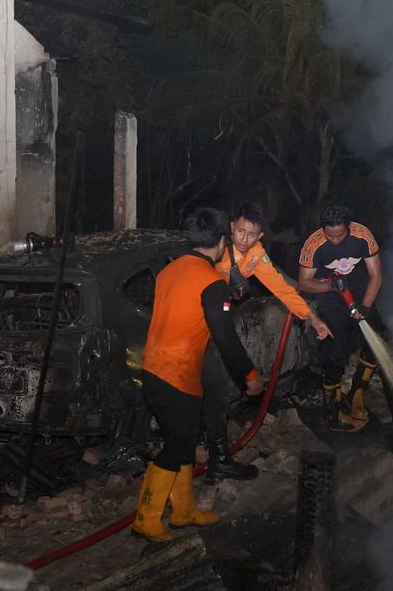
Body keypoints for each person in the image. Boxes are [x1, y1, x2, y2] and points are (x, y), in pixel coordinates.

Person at [132, 207, 264, 543]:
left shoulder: (169, 271)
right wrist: (249, 374)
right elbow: (225, 336)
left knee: (185, 442)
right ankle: (146, 519)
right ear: (222, 241)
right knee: (175, 448)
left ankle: (184, 510)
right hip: (175, 374)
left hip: (155, 368)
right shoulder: (210, 282)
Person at [201, 203, 332, 480]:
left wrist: (311, 317)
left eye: (251, 235)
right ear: (231, 226)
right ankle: (207, 449)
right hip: (198, 318)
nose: (244, 239)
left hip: (219, 320)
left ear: (259, 237)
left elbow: (282, 288)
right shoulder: (214, 248)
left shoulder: (256, 255)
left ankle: (216, 454)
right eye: (240, 231)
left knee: (217, 385)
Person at [298, 204, 384, 433]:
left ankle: (357, 394)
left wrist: (365, 308)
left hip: (361, 293)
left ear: (349, 226)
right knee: (335, 350)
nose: (334, 240)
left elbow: (376, 275)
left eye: (339, 234)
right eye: (329, 235)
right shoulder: (314, 244)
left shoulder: (362, 235)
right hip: (331, 298)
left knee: (377, 340)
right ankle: (332, 410)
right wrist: (328, 285)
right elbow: (304, 282)